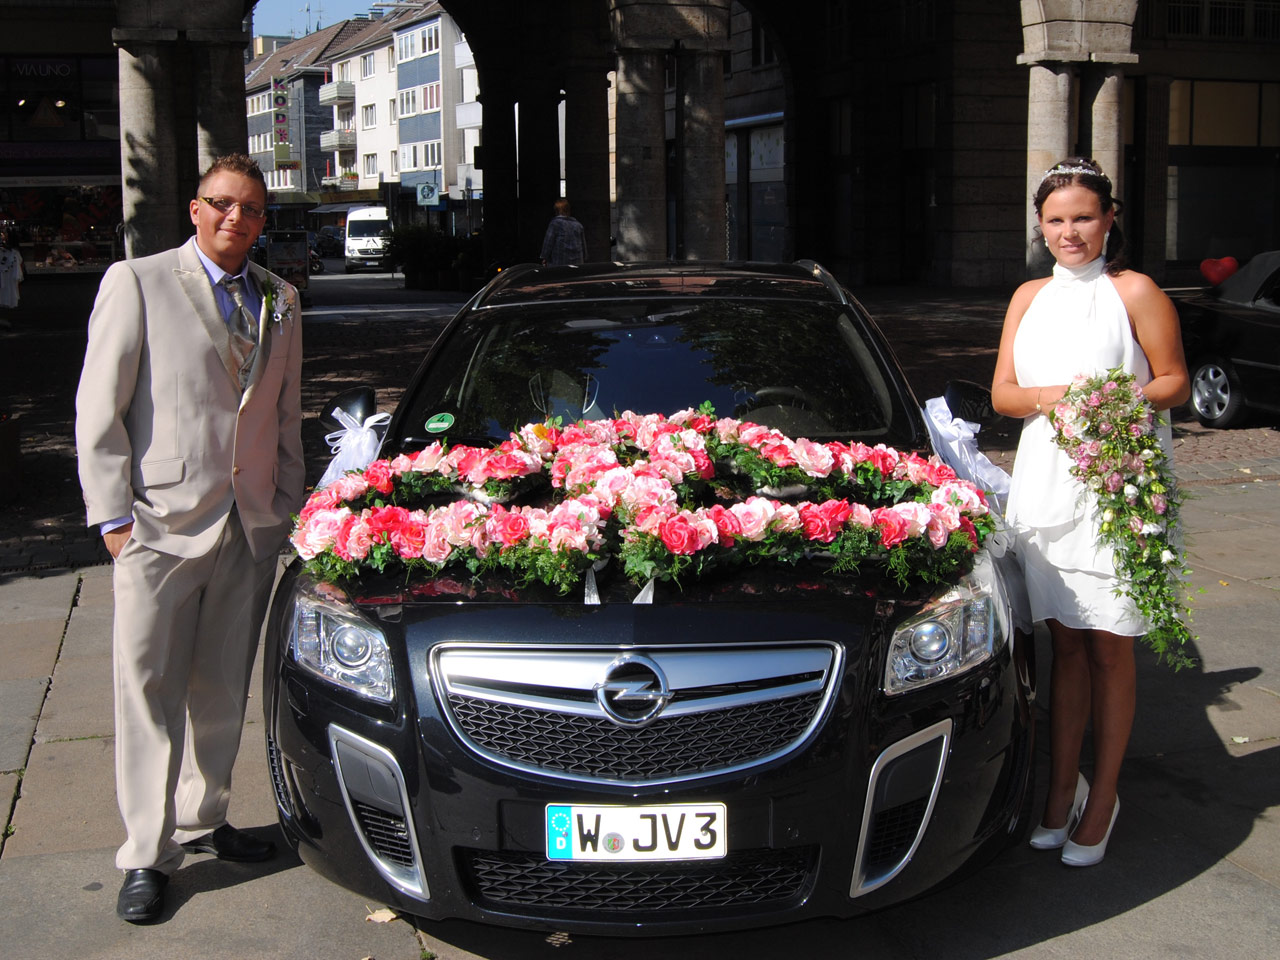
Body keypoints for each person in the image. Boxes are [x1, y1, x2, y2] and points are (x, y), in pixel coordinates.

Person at [75, 154, 305, 923]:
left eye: (251, 209)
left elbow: (283, 414)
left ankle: (204, 818)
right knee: (147, 691)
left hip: (248, 525)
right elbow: (99, 409)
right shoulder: (136, 283)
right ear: (196, 208)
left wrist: (285, 504)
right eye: (222, 204)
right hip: (157, 525)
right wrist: (113, 521)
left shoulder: (281, 299)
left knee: (219, 687)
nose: (236, 218)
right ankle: (147, 851)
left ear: (263, 221)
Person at [991, 158, 1189, 867]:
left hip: (1117, 485)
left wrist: (1111, 402)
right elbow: (1005, 395)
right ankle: (1059, 786)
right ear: (1041, 228)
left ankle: (1102, 795)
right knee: (1062, 644)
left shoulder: (1134, 290)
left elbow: (1173, 380)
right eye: (1055, 220)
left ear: (1110, 218)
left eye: (1083, 216)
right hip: (1048, 484)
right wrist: (1059, 399)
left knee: (1110, 643)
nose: (1069, 232)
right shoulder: (1027, 296)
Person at [539, 198, 586, 265]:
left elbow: (548, 243)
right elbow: (583, 247)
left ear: (556, 211)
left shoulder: (555, 224)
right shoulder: (578, 225)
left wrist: (544, 257)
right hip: (577, 264)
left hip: (559, 264)